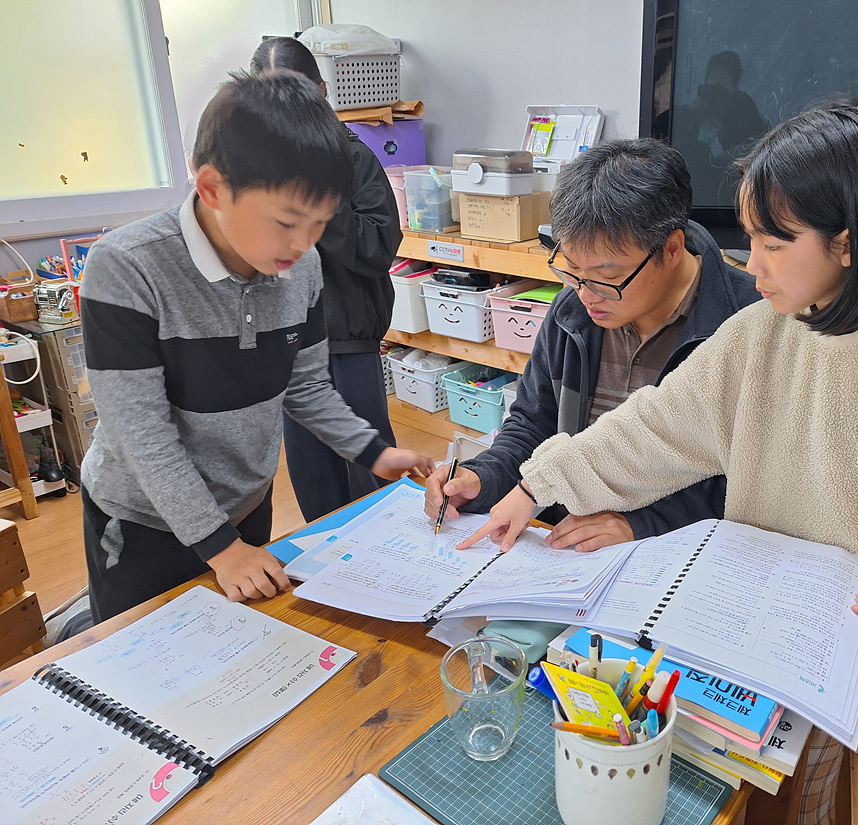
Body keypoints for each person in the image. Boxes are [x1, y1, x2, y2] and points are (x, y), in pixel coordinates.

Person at [458, 100, 858, 824]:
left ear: (846, 241)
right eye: (748, 238)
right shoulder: (757, 336)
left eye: (772, 241)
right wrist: (537, 483)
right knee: (790, 800)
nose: (749, 263)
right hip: (787, 640)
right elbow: (653, 429)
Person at [80, 70, 434, 623]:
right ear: (214, 189)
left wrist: (374, 453)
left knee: (240, 654)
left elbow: (306, 386)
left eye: (319, 224)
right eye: (288, 222)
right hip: (145, 520)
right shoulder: (127, 267)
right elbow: (141, 435)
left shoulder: (303, 265)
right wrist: (220, 549)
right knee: (145, 670)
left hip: (246, 505)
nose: (304, 244)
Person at [423, 138, 760, 552]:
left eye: (606, 275)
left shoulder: (746, 323)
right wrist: (483, 477)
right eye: (572, 270)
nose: (586, 293)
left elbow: (749, 477)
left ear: (671, 248)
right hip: (564, 544)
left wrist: (643, 523)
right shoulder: (574, 309)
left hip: (678, 550)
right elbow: (533, 423)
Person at [251, 37, 404, 523]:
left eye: (298, 95)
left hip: (349, 338)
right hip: (286, 342)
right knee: (311, 475)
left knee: (370, 470)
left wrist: (317, 193)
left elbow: (378, 248)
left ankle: (395, 566)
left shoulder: (353, 158)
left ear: (321, 91)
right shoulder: (253, 166)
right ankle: (329, 571)